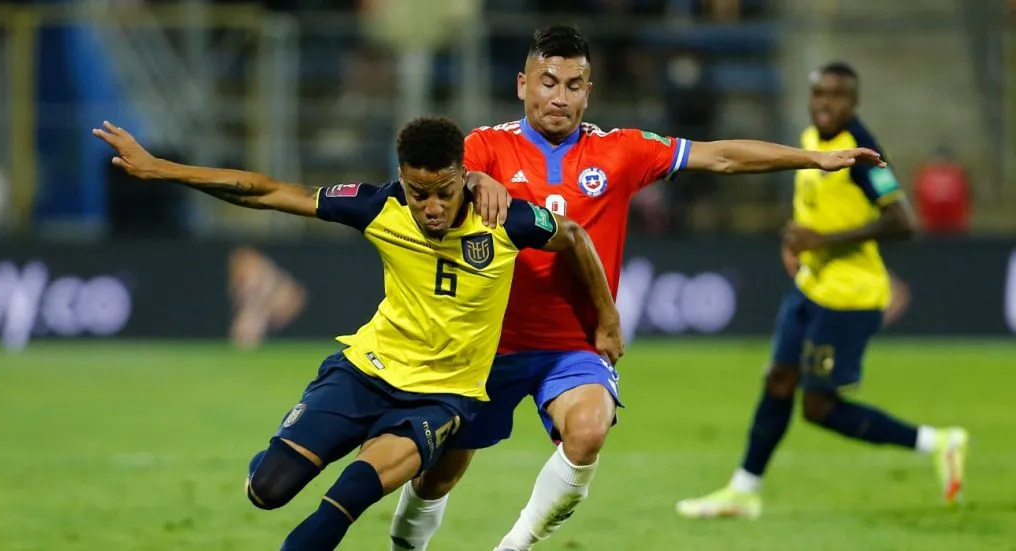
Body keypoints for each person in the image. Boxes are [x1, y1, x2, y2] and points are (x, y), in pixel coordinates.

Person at [389, 27, 889, 551]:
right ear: (522, 85)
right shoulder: (486, 146)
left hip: (574, 345)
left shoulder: (621, 151)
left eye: (574, 85)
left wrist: (813, 159)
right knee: (438, 477)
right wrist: (473, 181)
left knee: (588, 431)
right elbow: (439, 182)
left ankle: (513, 546)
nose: (560, 98)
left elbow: (719, 156)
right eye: (548, 82)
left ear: (590, 90)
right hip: (487, 343)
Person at [92, 115, 621, 550]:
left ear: (464, 176)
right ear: (401, 178)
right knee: (267, 490)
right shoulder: (378, 206)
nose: (431, 208)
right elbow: (268, 192)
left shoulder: (506, 220)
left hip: (442, 400)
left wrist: (606, 317)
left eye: (443, 192)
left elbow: (573, 236)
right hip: (365, 373)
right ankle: (288, 449)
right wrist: (161, 168)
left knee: (344, 502)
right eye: (419, 194)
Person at [675, 61, 969, 520]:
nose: (825, 103)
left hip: (850, 296)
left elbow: (902, 220)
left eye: (836, 95)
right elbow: (814, 208)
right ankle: (743, 490)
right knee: (777, 379)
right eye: (818, 94)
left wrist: (823, 242)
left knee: (818, 406)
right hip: (812, 286)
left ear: (853, 103)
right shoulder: (812, 142)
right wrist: (797, 239)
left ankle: (938, 442)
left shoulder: (860, 152)